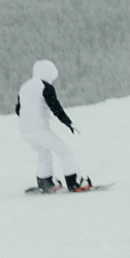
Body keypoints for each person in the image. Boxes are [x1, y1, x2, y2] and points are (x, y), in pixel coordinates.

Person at [16, 59, 90, 193]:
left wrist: (29, 119)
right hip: (39, 129)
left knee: (44, 154)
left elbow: (18, 109)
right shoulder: (45, 86)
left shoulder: (25, 87)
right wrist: (68, 122)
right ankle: (74, 182)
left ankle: (45, 182)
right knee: (65, 152)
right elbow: (55, 107)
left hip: (24, 130)